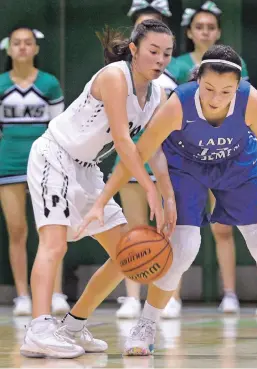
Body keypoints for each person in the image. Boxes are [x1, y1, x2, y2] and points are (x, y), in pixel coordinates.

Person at [74, 44, 257, 356]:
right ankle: (147, 322)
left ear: (238, 86)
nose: (216, 98)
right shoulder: (178, 105)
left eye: (226, 91)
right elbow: (137, 155)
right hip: (187, 168)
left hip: (238, 167)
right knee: (183, 248)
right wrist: (104, 200)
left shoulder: (250, 101)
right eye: (210, 88)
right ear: (197, 79)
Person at [20, 19, 174, 359]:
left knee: (126, 256)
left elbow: (156, 150)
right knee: (54, 243)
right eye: (153, 51)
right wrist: (148, 189)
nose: (160, 59)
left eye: (166, 53)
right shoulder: (114, 76)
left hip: (88, 170)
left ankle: (72, 326)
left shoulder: (158, 94)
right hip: (55, 155)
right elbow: (122, 139)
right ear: (134, 50)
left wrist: (167, 196)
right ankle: (38, 328)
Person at [165, 0, 250, 318]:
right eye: (199, 27)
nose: (205, 31)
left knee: (223, 226)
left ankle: (229, 294)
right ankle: (172, 296)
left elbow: (245, 111)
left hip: (223, 153)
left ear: (218, 32)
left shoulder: (235, 66)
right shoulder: (174, 67)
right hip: (184, 156)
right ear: (189, 32)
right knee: (181, 227)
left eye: (210, 27)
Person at [0, 26, 69, 316]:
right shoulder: (1, 84)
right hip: (9, 163)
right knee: (17, 230)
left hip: (44, 160)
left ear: (36, 48)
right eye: (17, 43)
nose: (23, 48)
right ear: (9, 49)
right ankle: (23, 296)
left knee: (52, 229)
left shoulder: (49, 83)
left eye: (28, 43)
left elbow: (59, 128)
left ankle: (56, 293)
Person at [115, 0, 178, 320]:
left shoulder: (174, 73)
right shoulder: (120, 74)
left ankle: (171, 294)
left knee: (170, 227)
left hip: (166, 159)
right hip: (130, 157)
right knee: (133, 228)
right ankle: (131, 296)